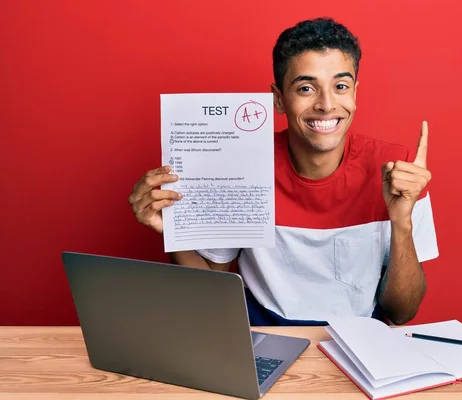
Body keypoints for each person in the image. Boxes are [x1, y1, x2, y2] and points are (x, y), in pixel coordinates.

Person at [128, 17, 438, 326]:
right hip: (262, 335)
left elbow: (402, 312)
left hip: (360, 340)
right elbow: (211, 294)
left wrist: (402, 222)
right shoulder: (241, 167)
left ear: (355, 92)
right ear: (278, 99)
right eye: (306, 88)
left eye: (340, 86)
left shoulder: (397, 170)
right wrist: (176, 232)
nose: (327, 104)